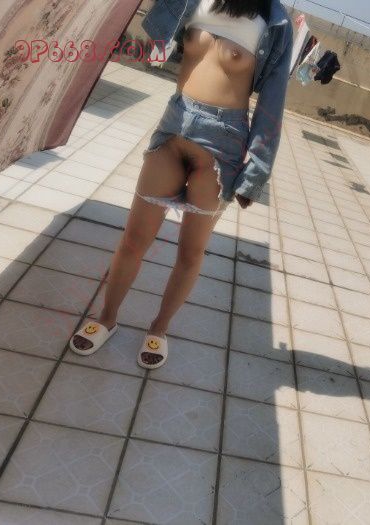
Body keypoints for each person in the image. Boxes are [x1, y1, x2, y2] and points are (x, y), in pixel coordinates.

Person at [69, 0, 293, 369]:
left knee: (191, 251)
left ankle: (159, 327)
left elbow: (273, 101)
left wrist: (256, 172)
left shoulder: (276, 22)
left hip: (224, 144)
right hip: (174, 124)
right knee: (133, 239)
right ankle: (106, 318)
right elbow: (156, 30)